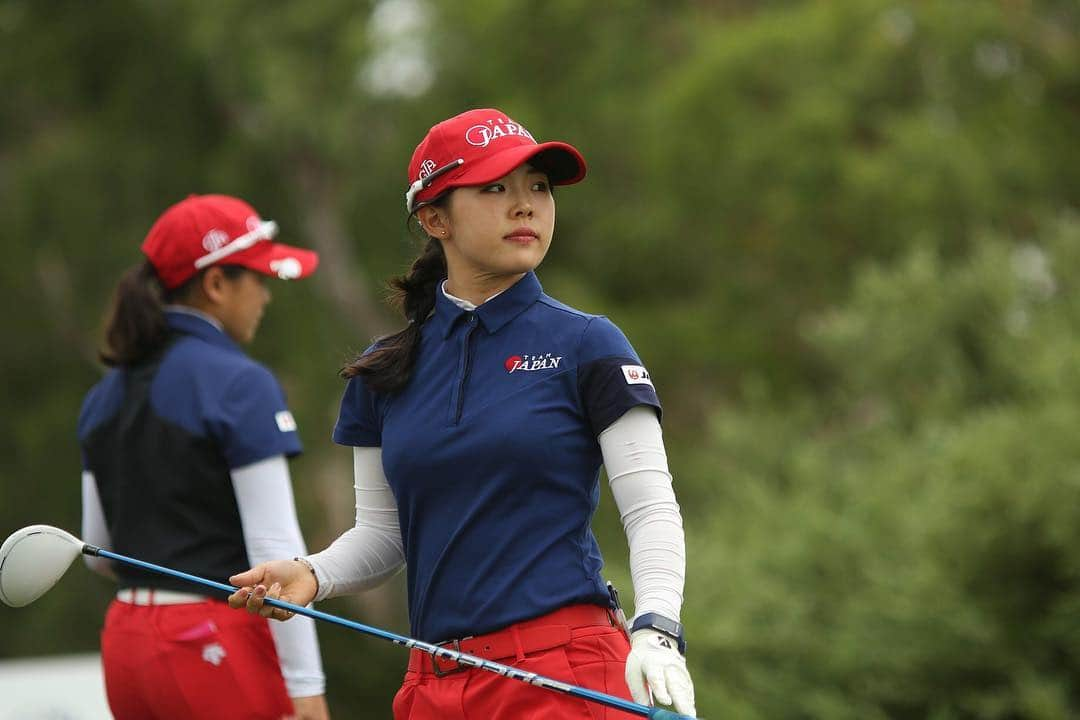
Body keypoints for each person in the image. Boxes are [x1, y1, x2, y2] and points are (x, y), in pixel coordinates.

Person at [229, 108, 697, 718]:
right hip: (433, 686)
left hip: (564, 672)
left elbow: (651, 506)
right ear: (434, 218)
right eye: (495, 188)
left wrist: (657, 627)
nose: (525, 205)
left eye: (539, 187)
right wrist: (312, 575)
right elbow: (384, 534)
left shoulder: (589, 344)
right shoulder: (384, 369)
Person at [78, 194, 330, 720]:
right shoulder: (241, 383)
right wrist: (306, 692)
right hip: (212, 645)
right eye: (257, 278)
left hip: (126, 644)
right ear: (216, 284)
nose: (265, 294)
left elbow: (98, 550)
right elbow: (276, 553)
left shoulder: (104, 394)